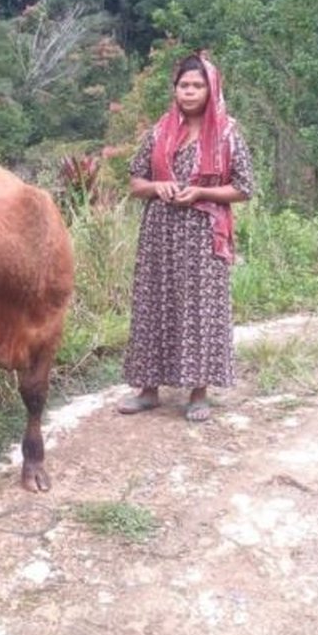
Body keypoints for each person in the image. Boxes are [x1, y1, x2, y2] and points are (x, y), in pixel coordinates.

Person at [115, 50, 255, 423]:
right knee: (153, 304)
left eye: (197, 86)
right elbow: (135, 181)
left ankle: (198, 393)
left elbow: (244, 188)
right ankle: (148, 390)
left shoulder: (226, 134)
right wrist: (157, 185)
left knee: (200, 310)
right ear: (174, 89)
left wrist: (202, 193)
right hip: (160, 234)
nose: (189, 92)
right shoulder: (159, 132)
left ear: (211, 90)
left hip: (204, 235)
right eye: (183, 85)